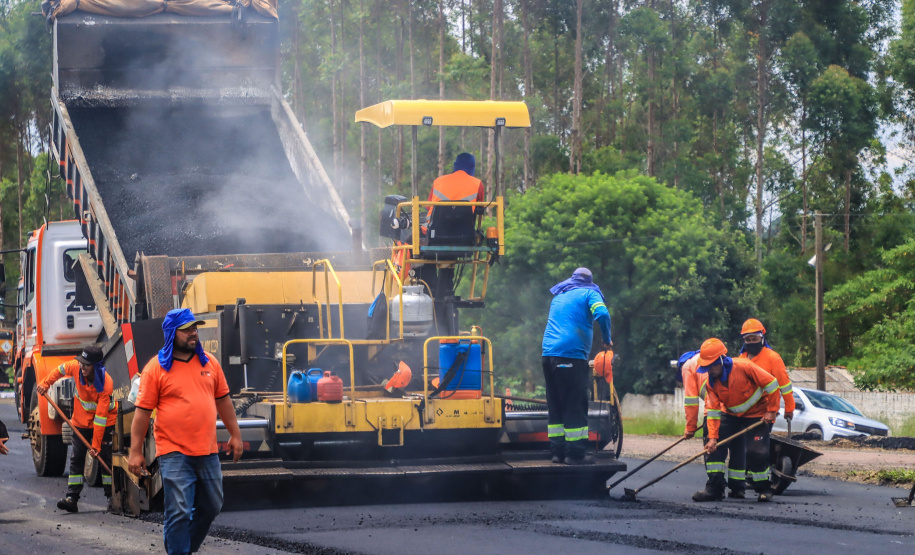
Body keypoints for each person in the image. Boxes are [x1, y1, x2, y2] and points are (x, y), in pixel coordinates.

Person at [128, 308, 243, 555]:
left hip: (207, 449)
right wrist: (135, 452)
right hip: (174, 450)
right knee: (179, 509)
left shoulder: (209, 363)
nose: (194, 333)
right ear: (172, 333)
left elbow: (223, 400)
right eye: (187, 329)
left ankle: (182, 548)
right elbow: (142, 414)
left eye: (195, 328)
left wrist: (235, 435)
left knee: (213, 505)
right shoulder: (155, 369)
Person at [692, 338, 779, 503]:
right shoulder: (711, 383)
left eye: (711, 366)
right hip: (731, 414)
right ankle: (715, 489)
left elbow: (772, 384)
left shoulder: (744, 366)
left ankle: (764, 489)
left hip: (757, 413)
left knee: (756, 451)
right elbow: (713, 412)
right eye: (706, 367)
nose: (709, 370)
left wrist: (772, 411)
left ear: (720, 360)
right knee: (714, 448)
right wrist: (712, 438)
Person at [541, 267, 612, 465]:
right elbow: (602, 314)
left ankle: (557, 452)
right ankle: (575, 454)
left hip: (548, 356)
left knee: (556, 405)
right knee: (575, 404)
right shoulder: (590, 293)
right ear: (589, 281)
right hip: (570, 356)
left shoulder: (560, 295)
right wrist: (607, 340)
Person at [36, 345, 115, 513]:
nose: (82, 366)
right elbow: (58, 370)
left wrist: (96, 445)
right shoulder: (74, 366)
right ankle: (72, 498)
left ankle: (112, 499)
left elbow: (101, 418)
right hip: (79, 421)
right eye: (81, 363)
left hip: (104, 423)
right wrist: (45, 383)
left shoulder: (106, 383)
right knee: (76, 458)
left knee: (105, 459)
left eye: (86, 364)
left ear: (96, 365)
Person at [738, 319, 795, 426]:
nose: (751, 342)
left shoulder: (773, 358)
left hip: (764, 414)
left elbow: (785, 385)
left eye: (754, 339)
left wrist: (789, 408)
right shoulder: (741, 358)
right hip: (743, 414)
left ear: (762, 338)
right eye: (748, 340)